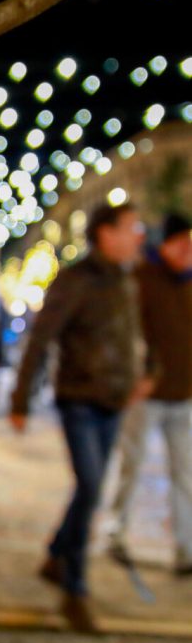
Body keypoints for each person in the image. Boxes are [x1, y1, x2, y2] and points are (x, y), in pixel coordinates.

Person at [9, 202, 146, 632]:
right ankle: (76, 590)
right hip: (80, 401)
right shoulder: (75, 281)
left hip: (113, 402)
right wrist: (20, 398)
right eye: (131, 227)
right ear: (106, 233)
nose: (139, 235)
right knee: (90, 487)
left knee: (89, 490)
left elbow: (136, 336)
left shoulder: (126, 281)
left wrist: (148, 374)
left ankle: (55, 553)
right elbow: (41, 339)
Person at [105, 212, 192, 576]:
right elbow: (128, 335)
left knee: (185, 474)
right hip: (147, 393)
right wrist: (140, 374)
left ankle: (186, 550)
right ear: (166, 243)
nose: (188, 251)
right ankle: (115, 533)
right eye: (183, 243)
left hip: (185, 394)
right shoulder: (142, 278)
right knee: (133, 464)